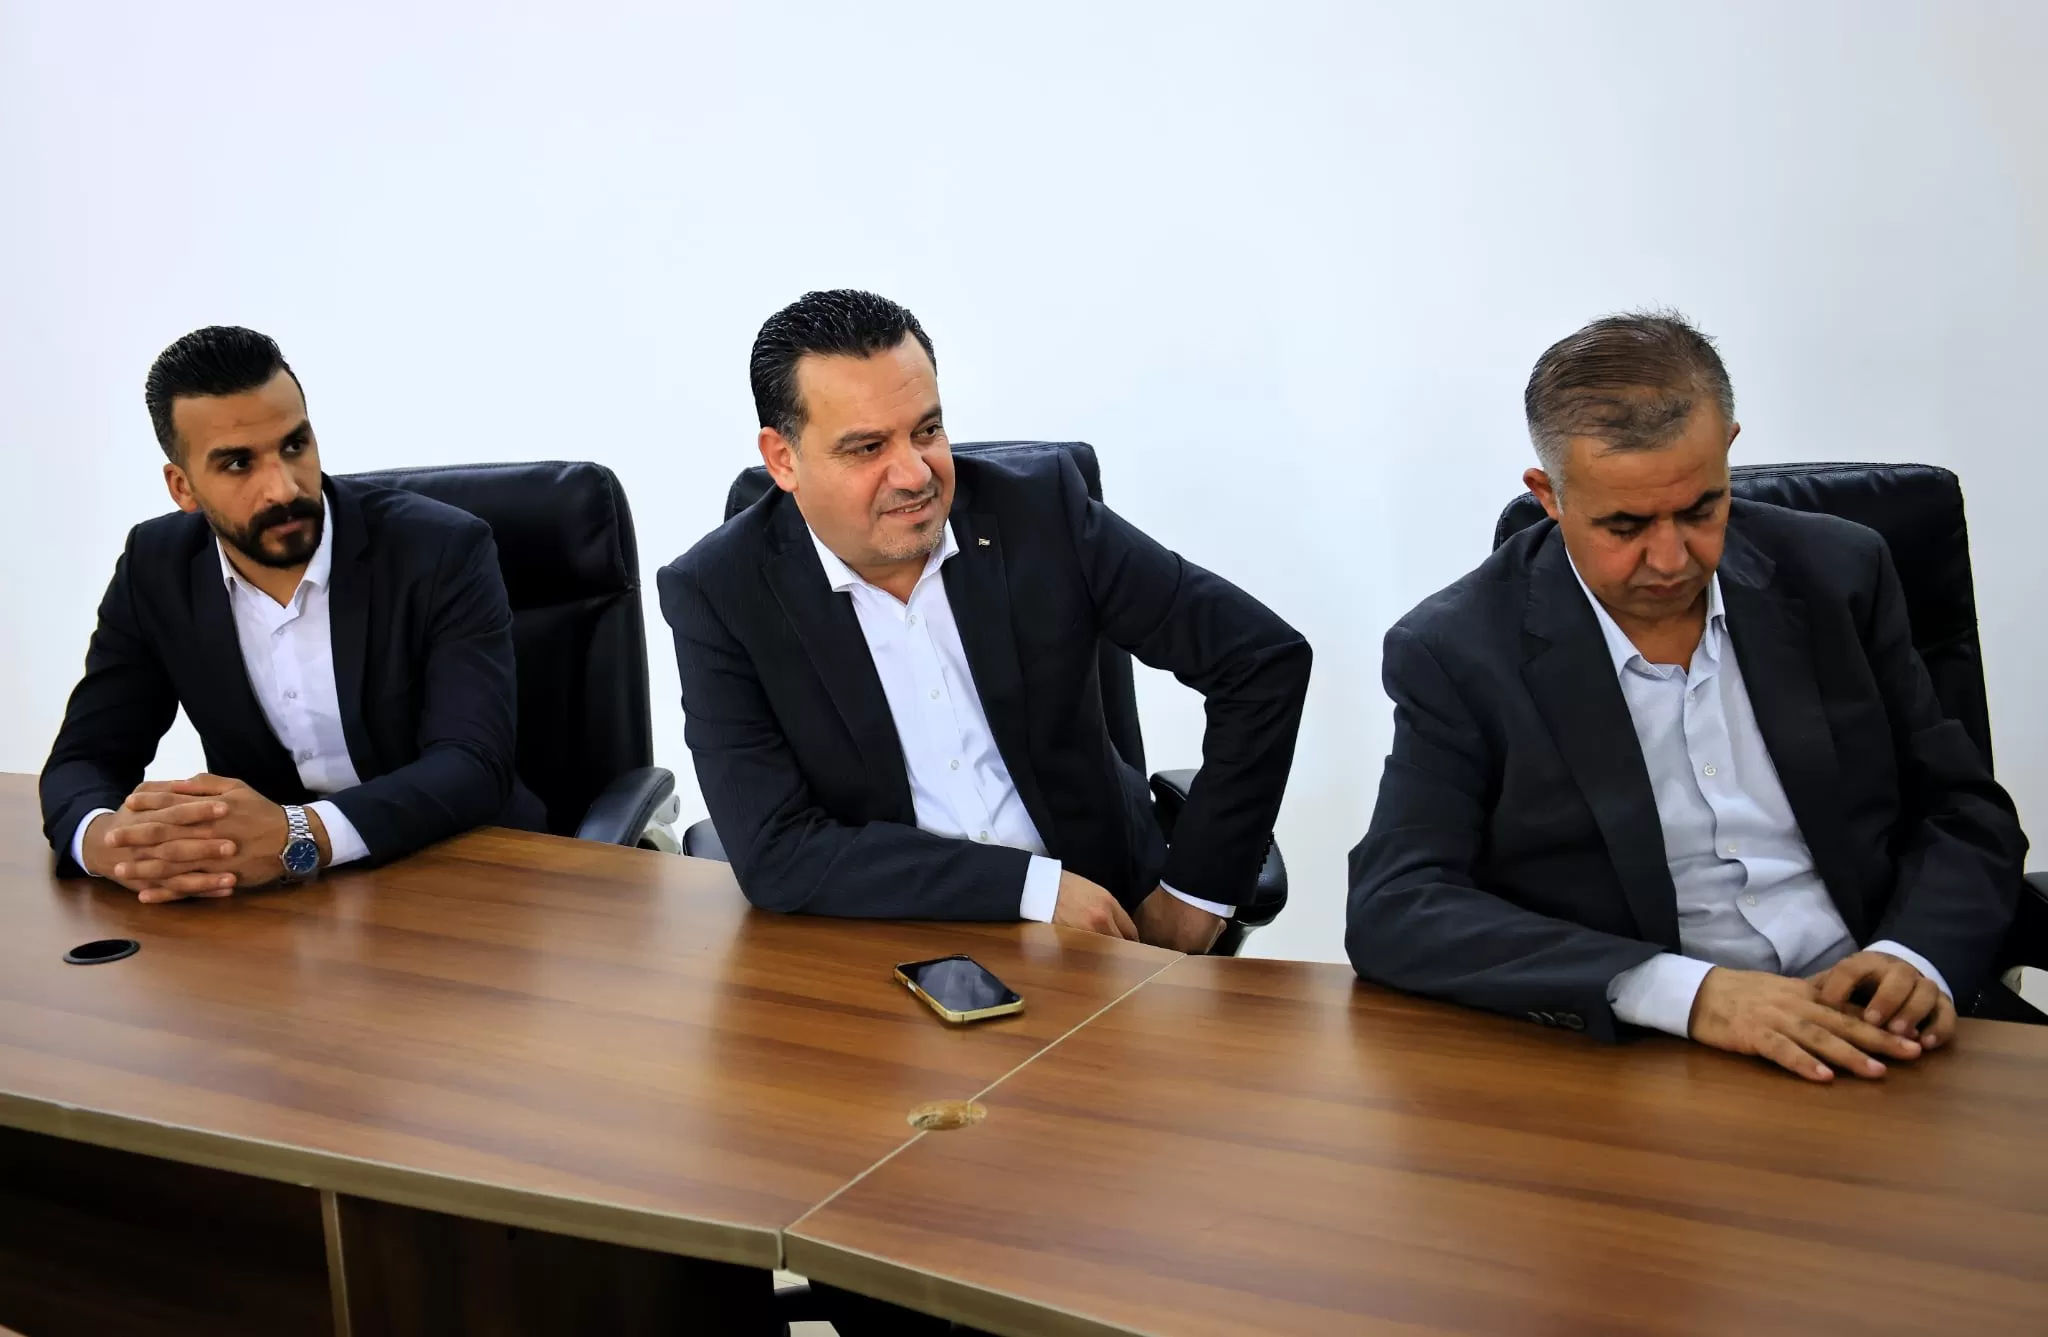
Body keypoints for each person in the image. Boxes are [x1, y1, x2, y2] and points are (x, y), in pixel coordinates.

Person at [1348, 311, 2027, 1082]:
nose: (1672, 558)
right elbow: (1396, 904)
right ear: (1549, 495)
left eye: (1702, 509)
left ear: (1729, 450)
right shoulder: (1458, 649)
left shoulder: (1840, 574)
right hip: (1654, 1058)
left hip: (1884, 1021)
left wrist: (1916, 955)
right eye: (1626, 525)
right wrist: (1688, 993)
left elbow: (1963, 809)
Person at [660, 289, 1310, 957]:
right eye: (868, 447)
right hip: (893, 937)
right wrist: (1031, 889)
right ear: (783, 459)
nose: (914, 473)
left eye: (927, 430)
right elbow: (777, 850)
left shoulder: (1042, 512)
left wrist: (1196, 894)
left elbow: (1260, 659)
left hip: (1109, 923)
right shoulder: (718, 593)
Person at [41, 325, 544, 900]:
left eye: (294, 446)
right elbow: (86, 757)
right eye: (238, 464)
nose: (282, 489)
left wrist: (298, 834)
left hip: (467, 872)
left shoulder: (441, 550)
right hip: (280, 902)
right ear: (182, 487)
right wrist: (109, 844)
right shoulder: (155, 568)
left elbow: (472, 763)